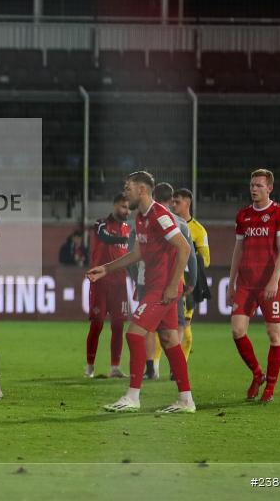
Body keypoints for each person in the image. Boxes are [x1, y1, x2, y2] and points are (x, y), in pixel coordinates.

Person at [87, 171, 195, 413]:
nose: (125, 193)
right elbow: (137, 254)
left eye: (128, 188)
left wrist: (172, 285)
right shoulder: (141, 217)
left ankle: (133, 396)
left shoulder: (159, 215)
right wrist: (106, 268)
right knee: (169, 340)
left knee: (134, 335)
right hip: (155, 286)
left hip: (163, 288)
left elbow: (184, 248)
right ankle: (186, 399)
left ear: (142, 189)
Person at [228, 169, 280, 403]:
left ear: (269, 188)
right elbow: (238, 250)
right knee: (237, 330)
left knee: (274, 334)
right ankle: (257, 373)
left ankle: (270, 387)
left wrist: (274, 280)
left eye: (259, 185)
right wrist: (231, 282)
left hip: (269, 283)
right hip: (246, 283)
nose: (254, 189)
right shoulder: (243, 215)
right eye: (252, 185)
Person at [147, 182, 197, 380]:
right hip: (176, 283)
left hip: (151, 282)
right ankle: (176, 369)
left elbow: (136, 251)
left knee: (147, 327)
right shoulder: (181, 224)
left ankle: (151, 368)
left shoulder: (146, 221)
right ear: (170, 200)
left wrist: (137, 279)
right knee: (176, 326)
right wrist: (192, 281)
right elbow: (192, 256)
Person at [85, 193, 131, 379]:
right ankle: (90, 366)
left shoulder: (128, 229)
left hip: (120, 284)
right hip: (100, 282)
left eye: (129, 208)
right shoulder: (101, 223)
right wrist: (125, 240)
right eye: (123, 207)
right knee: (97, 324)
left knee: (118, 325)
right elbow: (104, 237)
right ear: (115, 206)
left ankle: (115, 367)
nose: (127, 211)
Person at [172, 188, 211, 363]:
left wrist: (190, 258)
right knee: (164, 327)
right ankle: (154, 367)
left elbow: (206, 260)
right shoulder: (167, 224)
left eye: (177, 202)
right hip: (169, 279)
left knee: (184, 326)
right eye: (173, 201)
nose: (173, 205)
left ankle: (178, 366)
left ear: (187, 203)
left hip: (187, 282)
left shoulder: (199, 230)